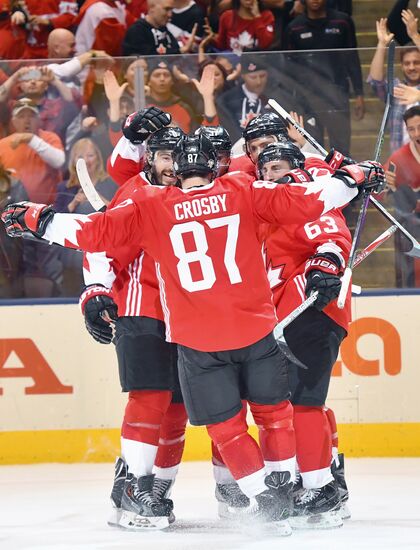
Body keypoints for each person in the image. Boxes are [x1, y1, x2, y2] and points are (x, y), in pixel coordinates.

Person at [2, 111, 385, 530]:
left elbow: (94, 233)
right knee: (276, 414)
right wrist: (351, 176)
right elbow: (311, 200)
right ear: (215, 165)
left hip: (199, 339)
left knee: (227, 428)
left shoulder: (153, 205)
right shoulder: (243, 188)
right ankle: (287, 490)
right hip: (257, 329)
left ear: (178, 169)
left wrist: (39, 220)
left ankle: (262, 499)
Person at [79, 126, 189, 530]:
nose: (172, 166)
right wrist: (95, 291)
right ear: (150, 159)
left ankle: (155, 490)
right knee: (150, 397)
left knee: (178, 407)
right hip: (142, 308)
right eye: (164, 157)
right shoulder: (137, 194)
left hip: (190, 316)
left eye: (178, 158)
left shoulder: (199, 195)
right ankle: (133, 487)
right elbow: (100, 240)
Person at [285, 0, 365, 156]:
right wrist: (292, 100)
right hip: (307, 98)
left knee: (341, 148)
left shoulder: (343, 21)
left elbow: (352, 59)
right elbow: (289, 69)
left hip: (337, 94)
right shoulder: (294, 28)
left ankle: (342, 178)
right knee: (311, 148)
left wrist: (359, 94)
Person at [368, 16, 420, 153]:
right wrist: (381, 44)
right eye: (407, 63)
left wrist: (415, 36)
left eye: (416, 62)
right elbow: (375, 80)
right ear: (401, 66)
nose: (412, 67)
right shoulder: (397, 88)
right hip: (401, 159)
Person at [384, 105, 420, 287]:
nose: (416, 134)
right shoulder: (398, 159)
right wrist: (387, 185)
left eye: (419, 127)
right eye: (411, 129)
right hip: (410, 231)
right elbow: (380, 194)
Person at [122, 0, 197, 55]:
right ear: (152, 8)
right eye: (167, 9)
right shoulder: (137, 31)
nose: (170, 14)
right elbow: (147, 59)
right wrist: (181, 51)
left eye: (171, 9)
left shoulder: (164, 30)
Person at [204, 0, 275, 54]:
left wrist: (257, 17)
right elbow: (222, 45)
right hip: (233, 66)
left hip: (257, 67)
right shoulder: (227, 17)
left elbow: (265, 44)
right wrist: (212, 37)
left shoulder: (267, 16)